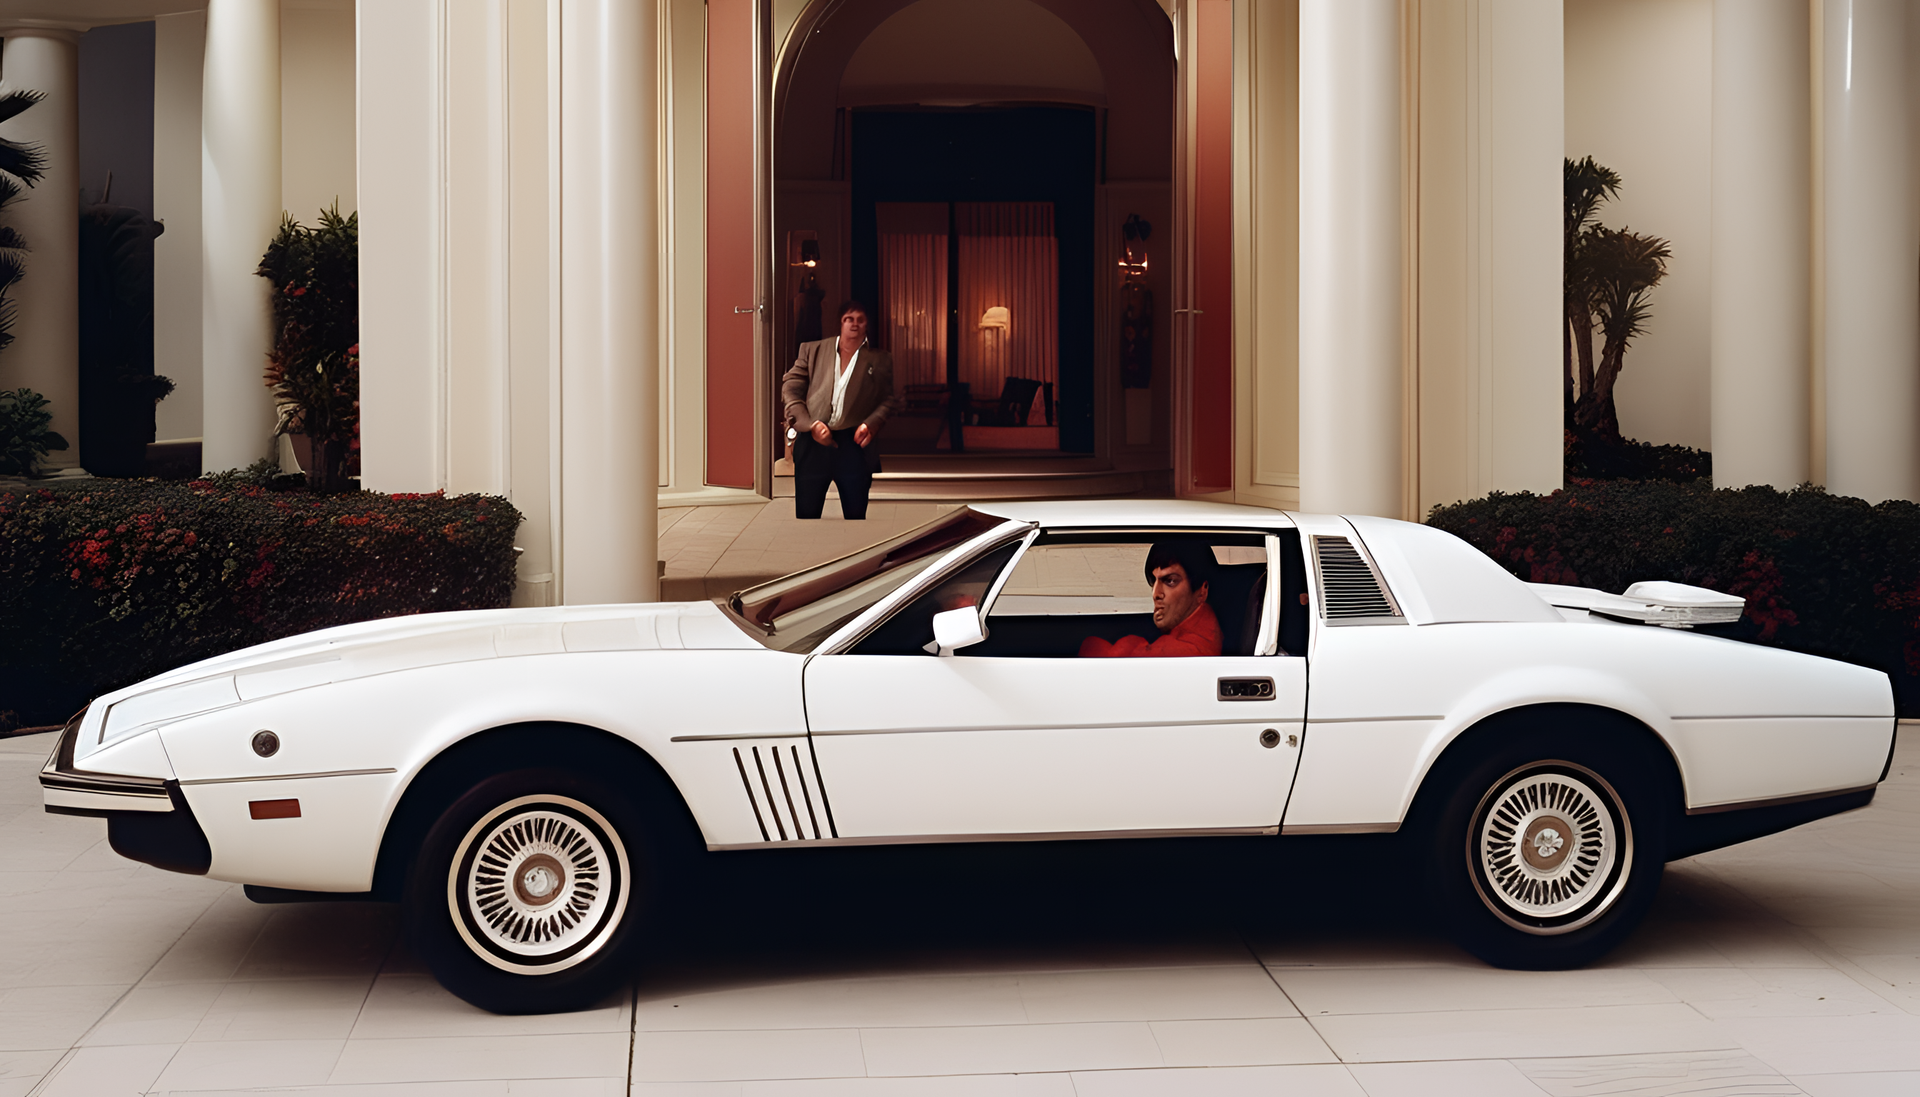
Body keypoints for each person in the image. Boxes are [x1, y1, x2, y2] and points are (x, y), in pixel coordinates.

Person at [782, 300, 899, 520]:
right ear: (840, 323)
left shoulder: (879, 360)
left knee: (855, 515)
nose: (854, 324)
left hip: (854, 444)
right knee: (807, 515)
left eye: (860, 320)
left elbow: (888, 400)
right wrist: (810, 424)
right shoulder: (812, 350)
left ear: (867, 325)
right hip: (813, 443)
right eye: (849, 319)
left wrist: (870, 425)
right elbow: (791, 388)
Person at [1079, 540, 1222, 657]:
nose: (1155, 594)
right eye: (1153, 581)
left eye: (1170, 581)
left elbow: (1104, 655)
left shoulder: (1187, 649)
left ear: (1202, 591)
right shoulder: (1203, 629)